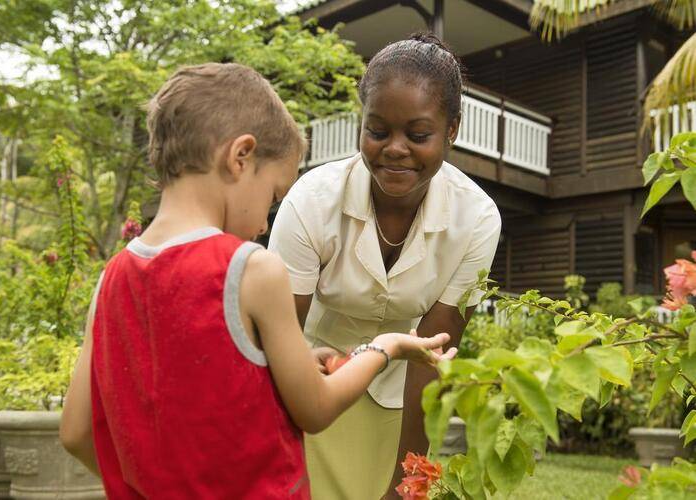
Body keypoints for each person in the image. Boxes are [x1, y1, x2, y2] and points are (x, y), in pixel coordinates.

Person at [59, 62, 456, 499]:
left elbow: (76, 432)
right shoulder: (251, 269)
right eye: (271, 196)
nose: (265, 224)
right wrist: (387, 347)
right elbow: (316, 409)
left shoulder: (111, 279)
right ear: (240, 157)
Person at [268, 33, 502, 499]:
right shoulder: (312, 202)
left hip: (396, 400)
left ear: (452, 129)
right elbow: (279, 334)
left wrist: (408, 477)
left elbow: (431, 355)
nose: (395, 148)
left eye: (418, 135)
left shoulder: (476, 219)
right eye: (378, 131)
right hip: (304, 382)